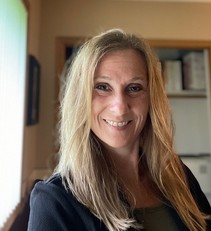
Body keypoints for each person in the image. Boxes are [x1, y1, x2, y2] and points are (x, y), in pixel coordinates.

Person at [28, 28, 211, 231]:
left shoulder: (177, 175)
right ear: (81, 98)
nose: (120, 107)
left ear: (151, 98)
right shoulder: (56, 201)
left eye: (134, 88)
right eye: (103, 87)